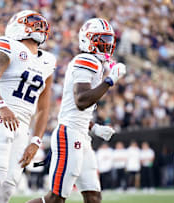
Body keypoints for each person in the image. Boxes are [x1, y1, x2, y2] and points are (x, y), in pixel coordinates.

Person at [28, 18, 126, 203]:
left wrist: (94, 127)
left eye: (109, 40)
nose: (107, 45)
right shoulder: (86, 60)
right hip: (70, 135)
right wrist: (110, 80)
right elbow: (81, 101)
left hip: (80, 134)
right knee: (55, 199)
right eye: (102, 40)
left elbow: (77, 111)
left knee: (93, 197)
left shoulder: (94, 62)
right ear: (88, 39)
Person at [0, 10, 56, 203]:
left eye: (41, 23)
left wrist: (36, 141)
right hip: (1, 116)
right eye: (33, 22)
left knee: (8, 186)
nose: (39, 27)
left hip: (23, 125)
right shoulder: (10, 46)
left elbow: (43, 108)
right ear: (17, 25)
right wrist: (1, 106)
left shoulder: (49, 61)